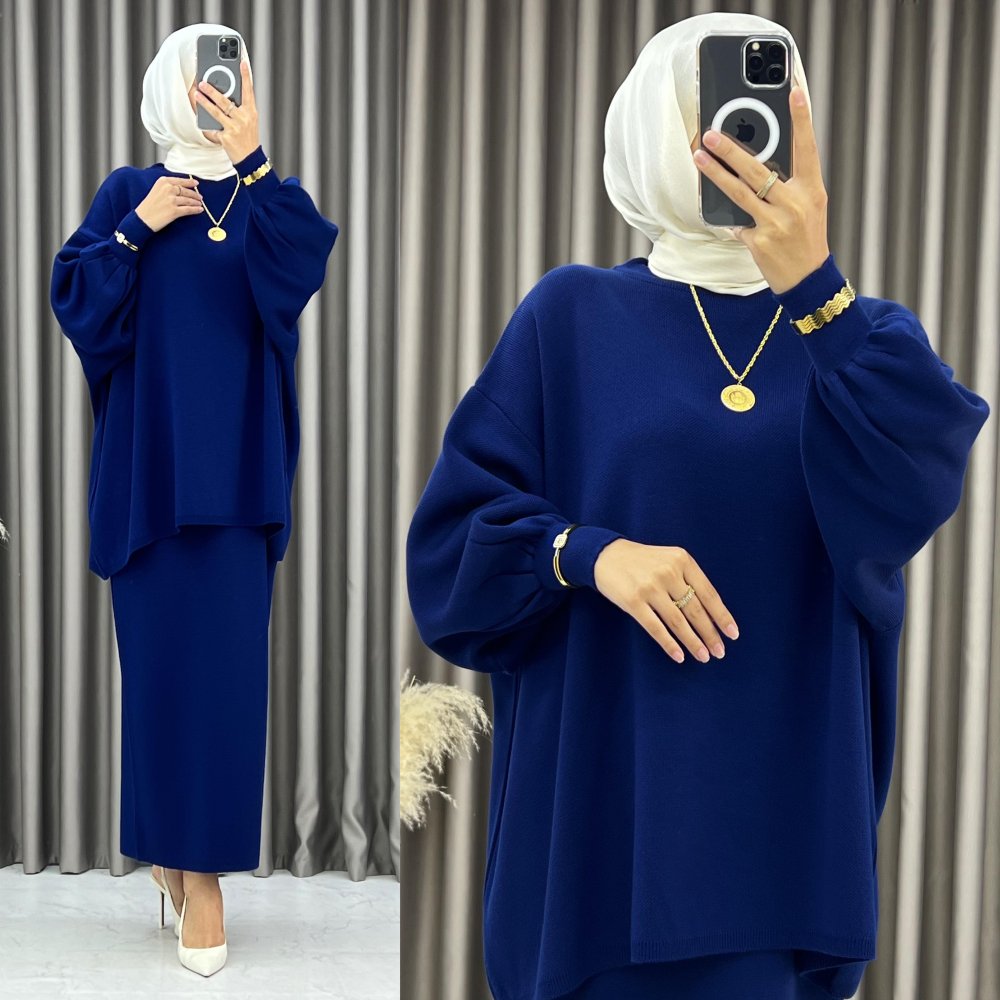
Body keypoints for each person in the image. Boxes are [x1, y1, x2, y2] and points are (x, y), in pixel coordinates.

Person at [405, 11, 989, 1000]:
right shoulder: (569, 317)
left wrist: (817, 291)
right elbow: (451, 556)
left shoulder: (863, 340)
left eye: (763, 112)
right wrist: (586, 552)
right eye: (709, 110)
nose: (738, 139)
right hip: (600, 822)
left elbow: (916, 492)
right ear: (648, 128)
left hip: (776, 835)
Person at [50, 22, 338, 977]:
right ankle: (175, 865)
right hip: (151, 482)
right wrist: (139, 227)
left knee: (226, 691)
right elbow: (81, 305)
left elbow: (298, 269)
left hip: (239, 485)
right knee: (161, 683)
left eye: (234, 75)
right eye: (207, 76)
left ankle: (200, 875)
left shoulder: (266, 198)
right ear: (170, 84)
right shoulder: (128, 191)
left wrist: (253, 160)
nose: (221, 89)